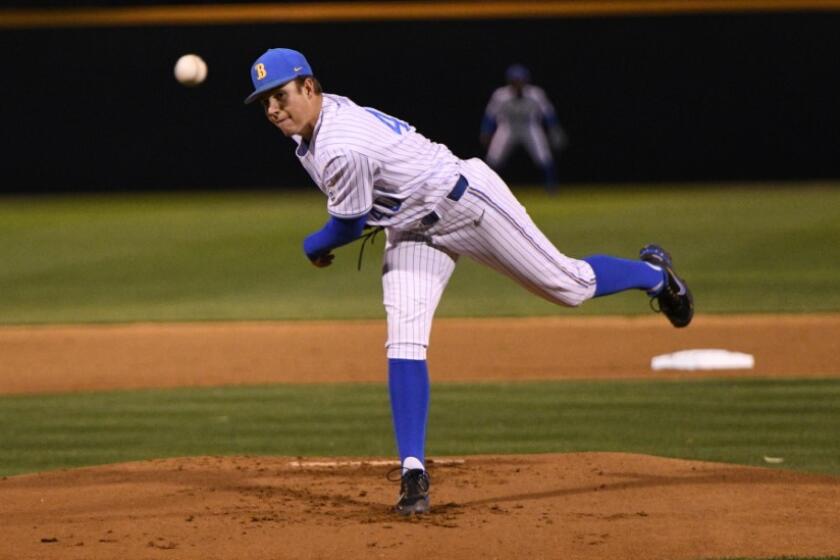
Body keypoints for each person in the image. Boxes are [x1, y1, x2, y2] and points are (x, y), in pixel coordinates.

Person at [244, 48, 694, 516]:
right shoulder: (316, 126)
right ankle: (413, 473)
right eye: (264, 102)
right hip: (414, 226)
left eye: (280, 95)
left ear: (310, 87)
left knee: (569, 285)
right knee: (404, 340)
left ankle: (656, 276)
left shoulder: (340, 144)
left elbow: (346, 228)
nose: (273, 109)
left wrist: (312, 247)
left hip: (468, 204)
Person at [480, 64, 567, 191]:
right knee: (493, 158)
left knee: (544, 156)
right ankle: (486, 187)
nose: (518, 84)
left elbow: (548, 113)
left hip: (530, 126)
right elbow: (490, 115)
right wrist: (486, 131)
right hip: (507, 127)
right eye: (515, 81)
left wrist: (554, 129)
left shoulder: (536, 94)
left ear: (526, 81)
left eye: (520, 80)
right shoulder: (500, 95)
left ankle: (551, 187)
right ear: (509, 81)